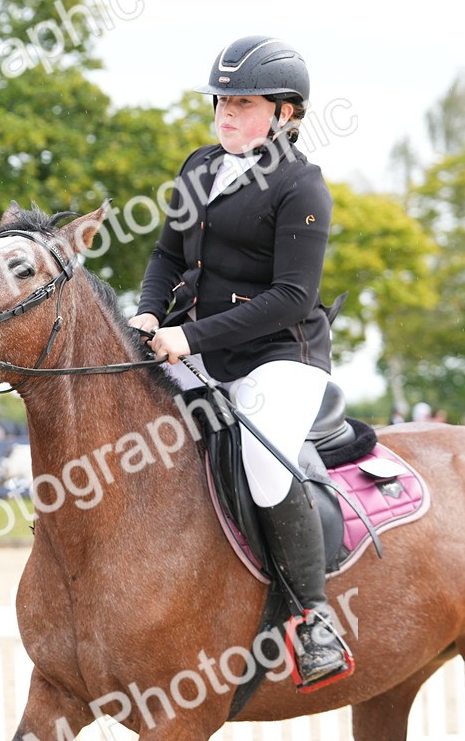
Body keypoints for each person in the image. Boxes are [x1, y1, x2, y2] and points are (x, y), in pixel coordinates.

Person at [127, 36, 351, 689]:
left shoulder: (302, 186)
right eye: (222, 101)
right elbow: (166, 256)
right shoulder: (198, 167)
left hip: (281, 358)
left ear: (287, 113)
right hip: (197, 346)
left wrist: (190, 338)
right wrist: (149, 313)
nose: (225, 112)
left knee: (264, 467)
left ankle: (314, 617)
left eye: (243, 103)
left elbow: (292, 298)